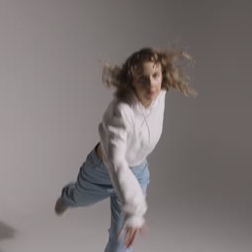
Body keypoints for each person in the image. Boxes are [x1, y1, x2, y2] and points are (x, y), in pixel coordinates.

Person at [54, 47, 197, 252]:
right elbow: (117, 164)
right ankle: (68, 195)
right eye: (142, 78)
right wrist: (134, 207)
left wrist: (134, 213)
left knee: (120, 241)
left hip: (137, 172)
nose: (151, 84)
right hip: (102, 171)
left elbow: (128, 171)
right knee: (79, 198)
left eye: (155, 75)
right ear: (131, 82)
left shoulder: (160, 91)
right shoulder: (121, 112)